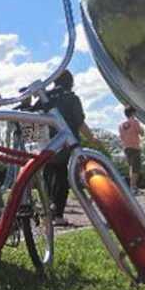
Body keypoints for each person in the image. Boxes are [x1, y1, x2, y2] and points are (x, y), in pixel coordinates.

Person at [42, 70, 94, 227]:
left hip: (48, 144)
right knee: (62, 180)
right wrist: (92, 138)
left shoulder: (47, 99)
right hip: (66, 145)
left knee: (48, 178)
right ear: (70, 82)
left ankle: (47, 212)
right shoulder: (72, 99)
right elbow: (79, 122)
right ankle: (58, 215)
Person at [119, 106, 145, 195]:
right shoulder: (135, 122)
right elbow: (142, 133)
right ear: (133, 113)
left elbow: (121, 137)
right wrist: (142, 128)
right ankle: (133, 188)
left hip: (126, 147)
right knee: (136, 168)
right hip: (135, 147)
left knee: (131, 167)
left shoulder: (121, 125)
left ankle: (132, 185)